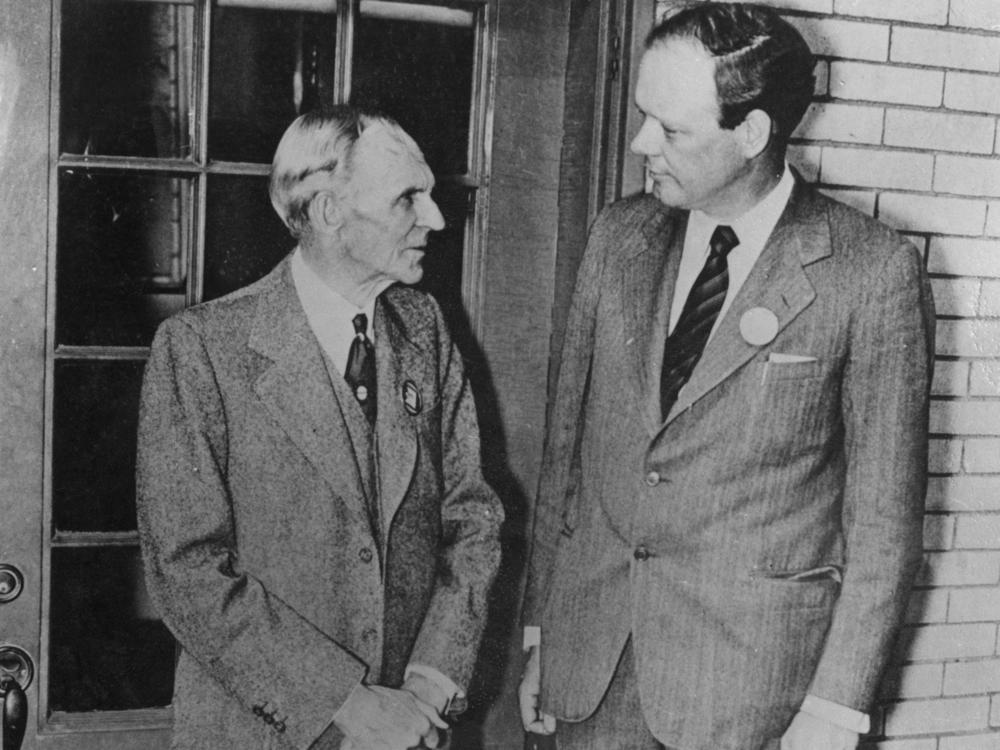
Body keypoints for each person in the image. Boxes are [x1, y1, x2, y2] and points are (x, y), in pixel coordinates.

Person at [518, 4, 934, 750]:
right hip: (593, 671)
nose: (643, 143)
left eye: (672, 130)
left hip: (749, 698)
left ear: (751, 135)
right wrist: (541, 629)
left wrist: (835, 711)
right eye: (646, 116)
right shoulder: (620, 237)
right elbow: (565, 456)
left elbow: (883, 532)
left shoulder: (872, 274)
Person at [136, 105, 503, 750]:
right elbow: (187, 569)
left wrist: (424, 687)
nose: (436, 219)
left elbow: (472, 519)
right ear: (331, 212)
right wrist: (347, 704)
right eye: (408, 198)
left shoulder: (426, 329)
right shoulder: (201, 349)